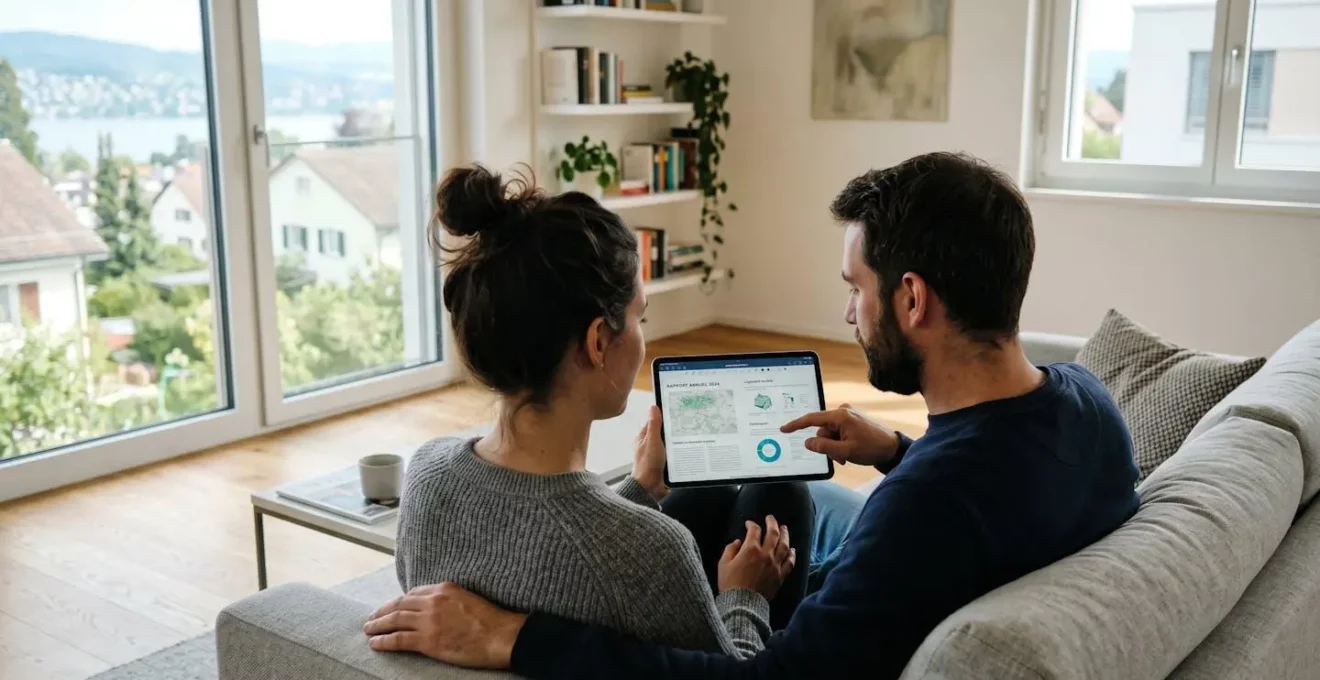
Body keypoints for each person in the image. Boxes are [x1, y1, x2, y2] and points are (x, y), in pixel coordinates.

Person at [363, 152, 1142, 678]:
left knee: (754, 501)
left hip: (817, 633)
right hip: (876, 593)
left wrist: (513, 635)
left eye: (855, 287)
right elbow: (994, 481)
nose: (847, 312)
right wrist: (897, 450)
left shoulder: (922, 513)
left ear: (912, 299)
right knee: (761, 495)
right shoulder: (1092, 405)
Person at [389, 164, 816, 664]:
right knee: (782, 492)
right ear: (596, 342)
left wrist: (640, 490)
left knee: (714, 495)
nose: (642, 336)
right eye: (639, 318)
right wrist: (747, 596)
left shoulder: (427, 475)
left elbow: (542, 542)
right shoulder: (651, 552)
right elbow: (734, 676)